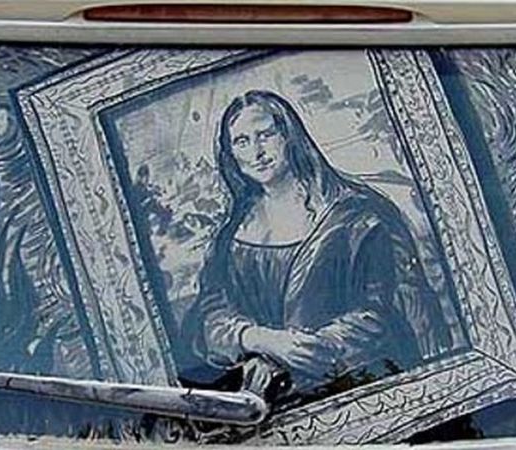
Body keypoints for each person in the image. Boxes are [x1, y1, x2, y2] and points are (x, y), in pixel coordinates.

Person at [186, 90, 451, 399]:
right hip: (271, 398)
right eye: (242, 141)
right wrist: (260, 339)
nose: (257, 152)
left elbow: (386, 308)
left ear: (289, 136)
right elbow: (211, 316)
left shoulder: (357, 216)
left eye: (266, 135)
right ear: (231, 153)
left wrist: (305, 352)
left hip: (362, 384)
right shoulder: (231, 235)